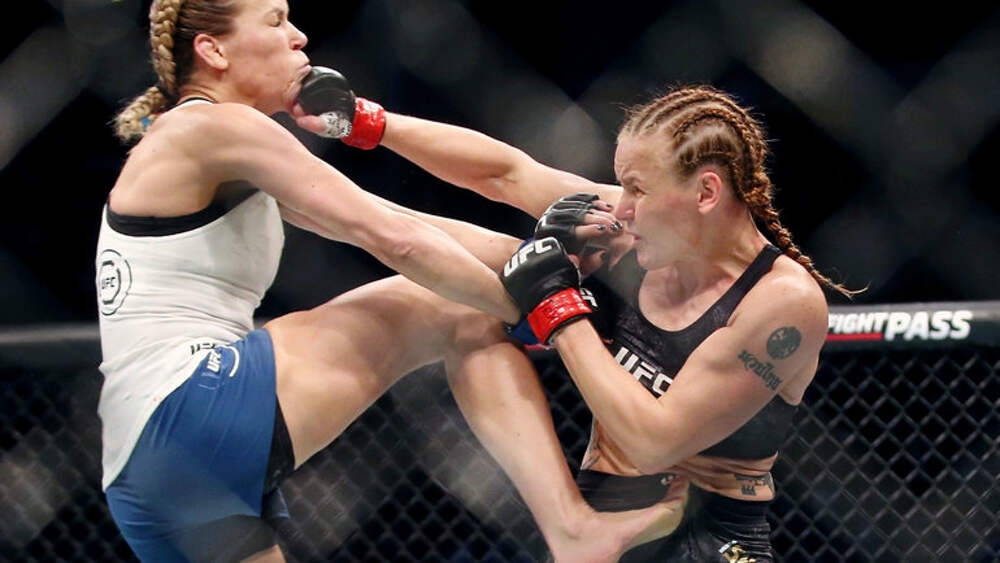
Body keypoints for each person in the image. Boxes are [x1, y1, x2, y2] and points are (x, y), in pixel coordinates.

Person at [97, 1, 684, 561]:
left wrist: (534, 259)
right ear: (214, 51)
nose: (299, 36)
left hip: (142, 473)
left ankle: (576, 534)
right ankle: (571, 527)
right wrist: (533, 306)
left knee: (463, 292)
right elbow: (394, 239)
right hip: (190, 405)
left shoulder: (213, 145)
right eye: (275, 20)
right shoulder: (220, 127)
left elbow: (401, 220)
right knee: (460, 309)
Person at [320, 84, 855, 561]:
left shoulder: (781, 302)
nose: (620, 207)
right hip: (602, 518)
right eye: (622, 186)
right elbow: (506, 173)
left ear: (706, 193)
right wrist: (364, 122)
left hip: (707, 534)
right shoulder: (636, 229)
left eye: (638, 189)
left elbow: (654, 442)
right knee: (479, 291)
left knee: (531, 274)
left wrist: (558, 306)